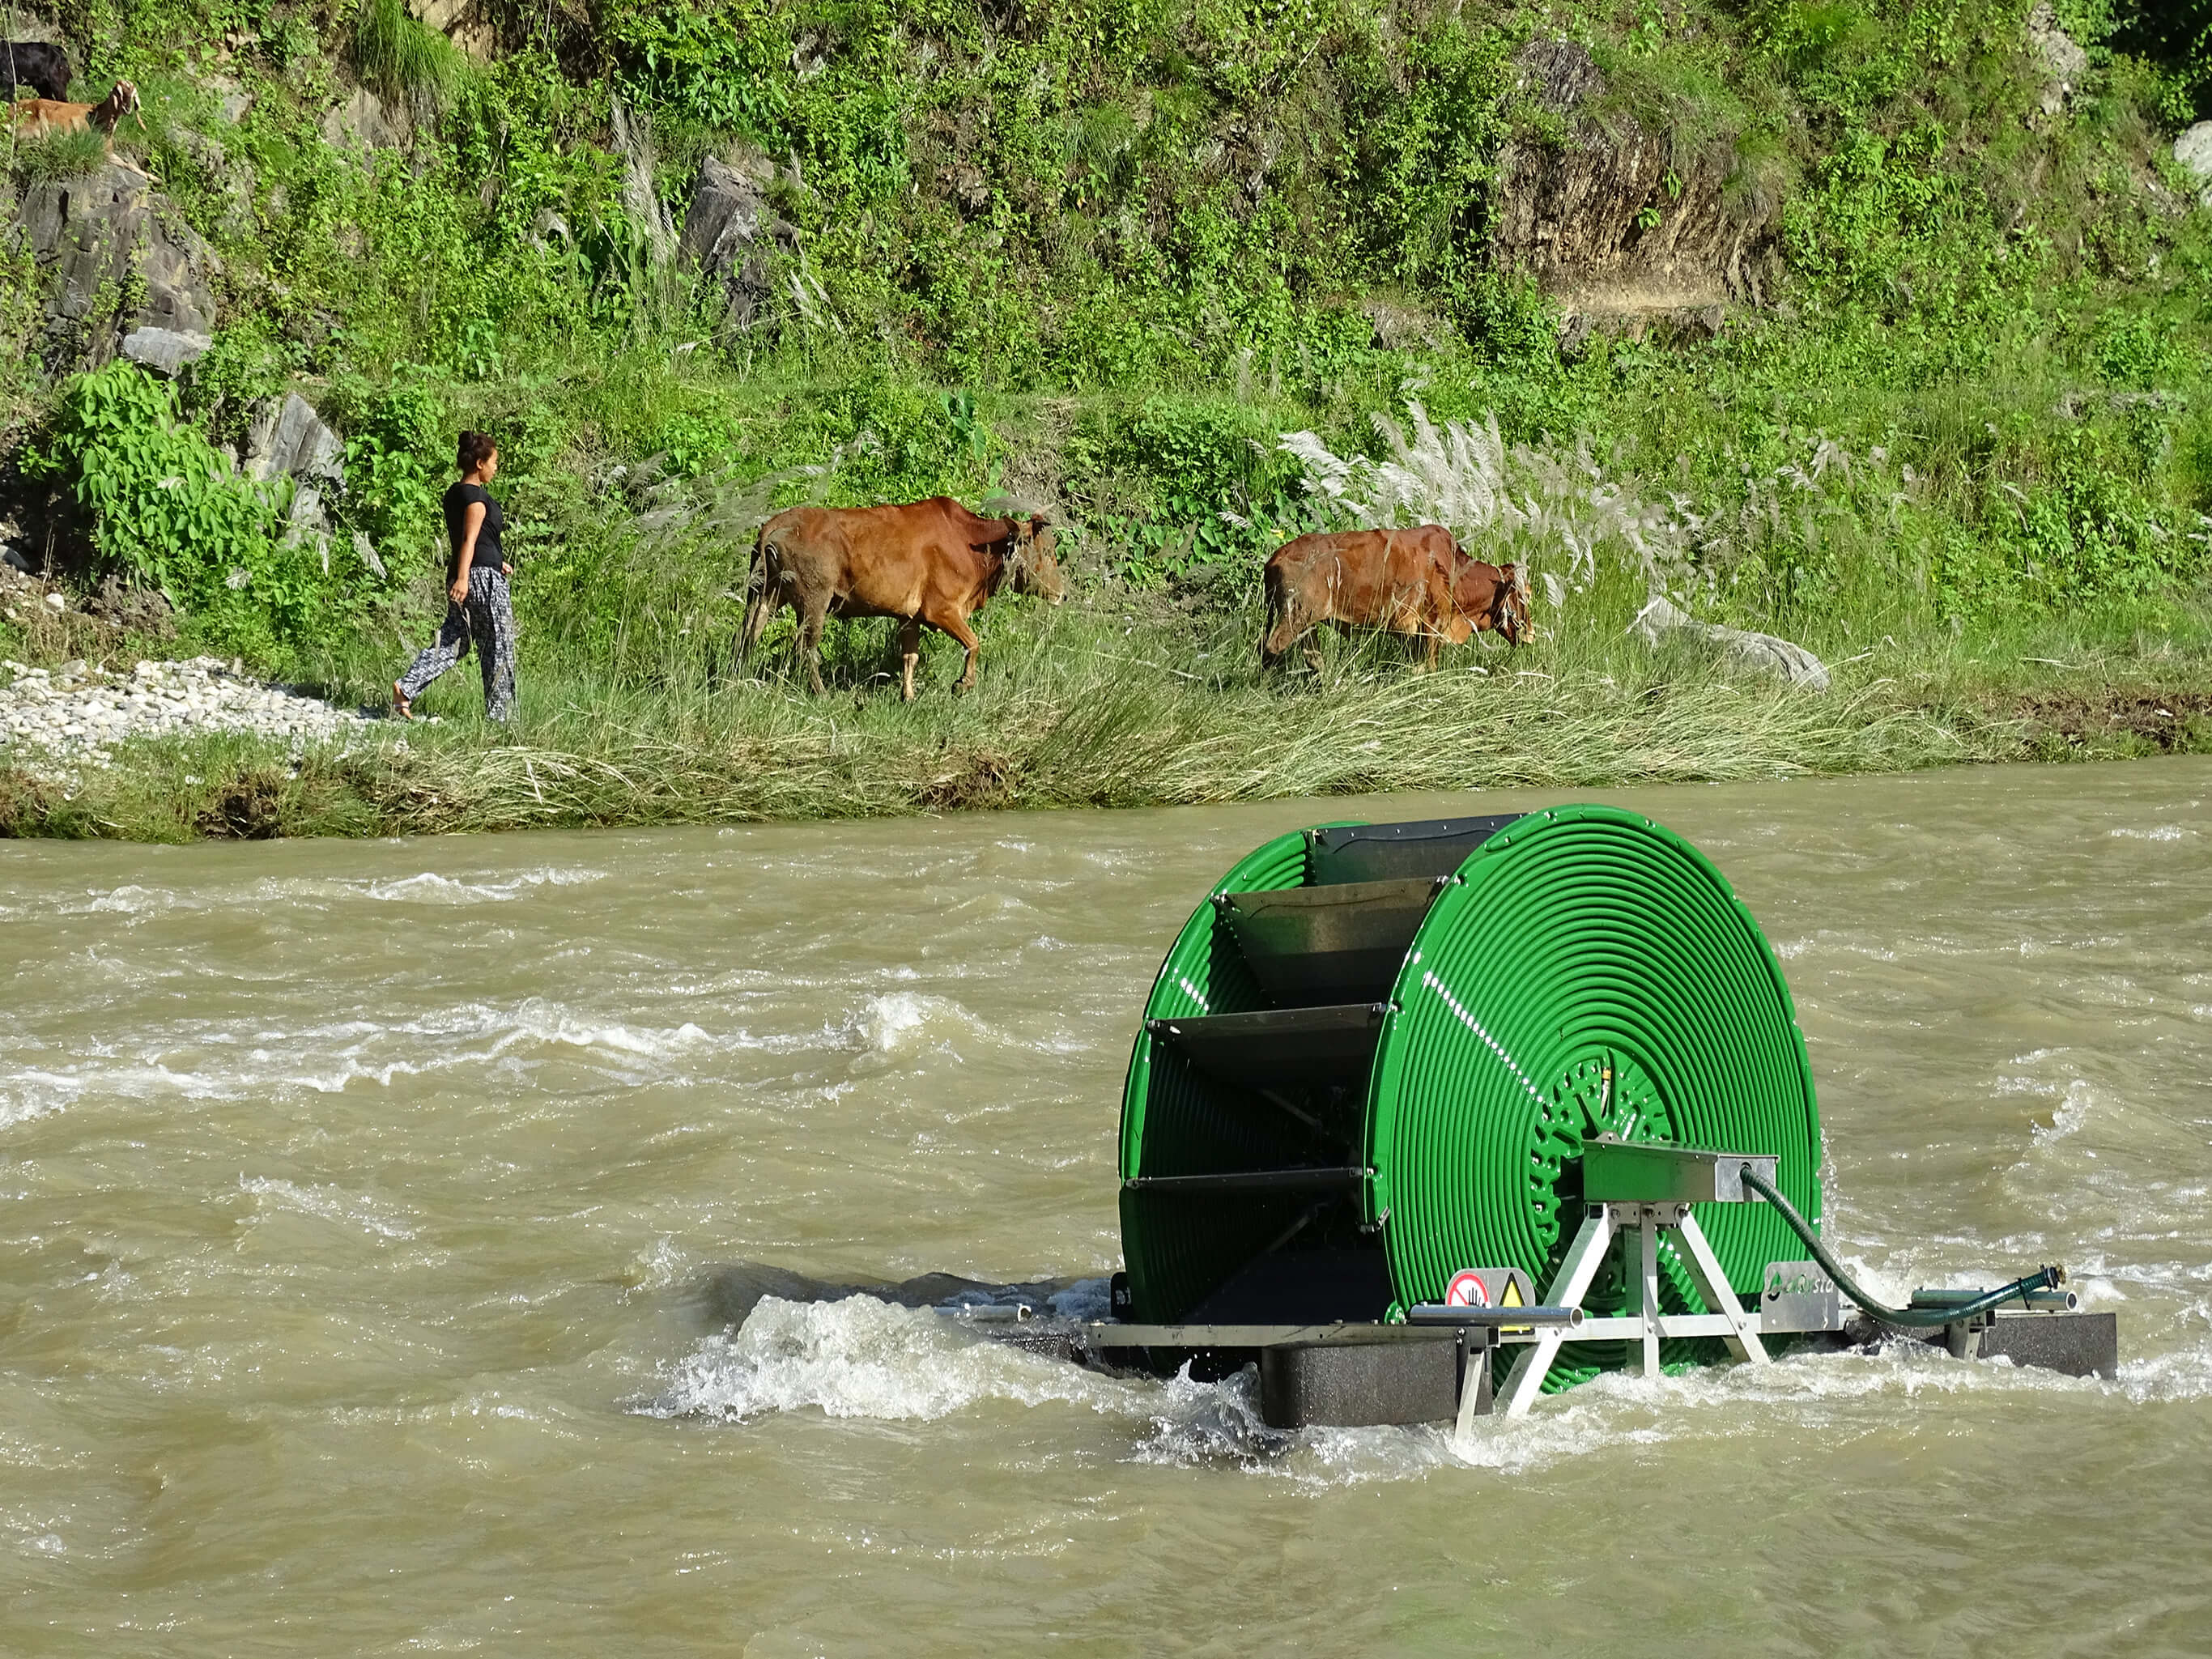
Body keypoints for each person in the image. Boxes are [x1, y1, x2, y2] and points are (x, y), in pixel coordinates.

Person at [393, 432, 517, 721]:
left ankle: (406, 687)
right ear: (478, 463)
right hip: (479, 580)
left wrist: (496, 562)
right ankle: (503, 719)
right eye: (494, 461)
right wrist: (467, 577)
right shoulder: (476, 498)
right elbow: (468, 540)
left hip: (472, 573)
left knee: (454, 641)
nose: (496, 467)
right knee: (499, 645)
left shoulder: (455, 494)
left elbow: (478, 541)